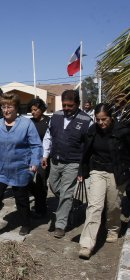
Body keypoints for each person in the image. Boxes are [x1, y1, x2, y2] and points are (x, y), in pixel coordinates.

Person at [0, 93, 42, 239]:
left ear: (16, 108)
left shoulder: (26, 124)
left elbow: (36, 145)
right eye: (4, 106)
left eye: (9, 107)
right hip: (0, 169)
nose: (6, 110)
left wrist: (34, 162)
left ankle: (26, 222)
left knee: (21, 198)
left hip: (20, 169)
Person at [77, 103, 130, 259]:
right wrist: (82, 171)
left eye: (104, 119)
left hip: (116, 172)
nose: (101, 123)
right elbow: (86, 152)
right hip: (97, 171)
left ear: (111, 117)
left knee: (113, 205)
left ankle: (113, 228)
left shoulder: (122, 131)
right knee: (94, 206)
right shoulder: (92, 131)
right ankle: (87, 244)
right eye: (98, 119)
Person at [42, 90, 92, 238]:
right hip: (55, 160)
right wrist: (45, 155)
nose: (66, 108)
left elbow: (89, 147)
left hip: (73, 162)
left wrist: (84, 168)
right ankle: (70, 202)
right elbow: (48, 136)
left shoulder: (86, 121)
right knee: (54, 186)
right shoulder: (56, 116)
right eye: (64, 105)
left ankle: (60, 225)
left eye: (70, 105)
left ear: (77, 104)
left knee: (65, 192)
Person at [27, 98, 51, 217]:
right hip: (30, 157)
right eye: (32, 110)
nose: (33, 112)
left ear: (41, 109)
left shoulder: (49, 122)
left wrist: (46, 155)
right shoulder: (29, 123)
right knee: (27, 180)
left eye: (35, 110)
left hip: (44, 158)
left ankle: (40, 209)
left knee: (41, 182)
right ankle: (37, 197)